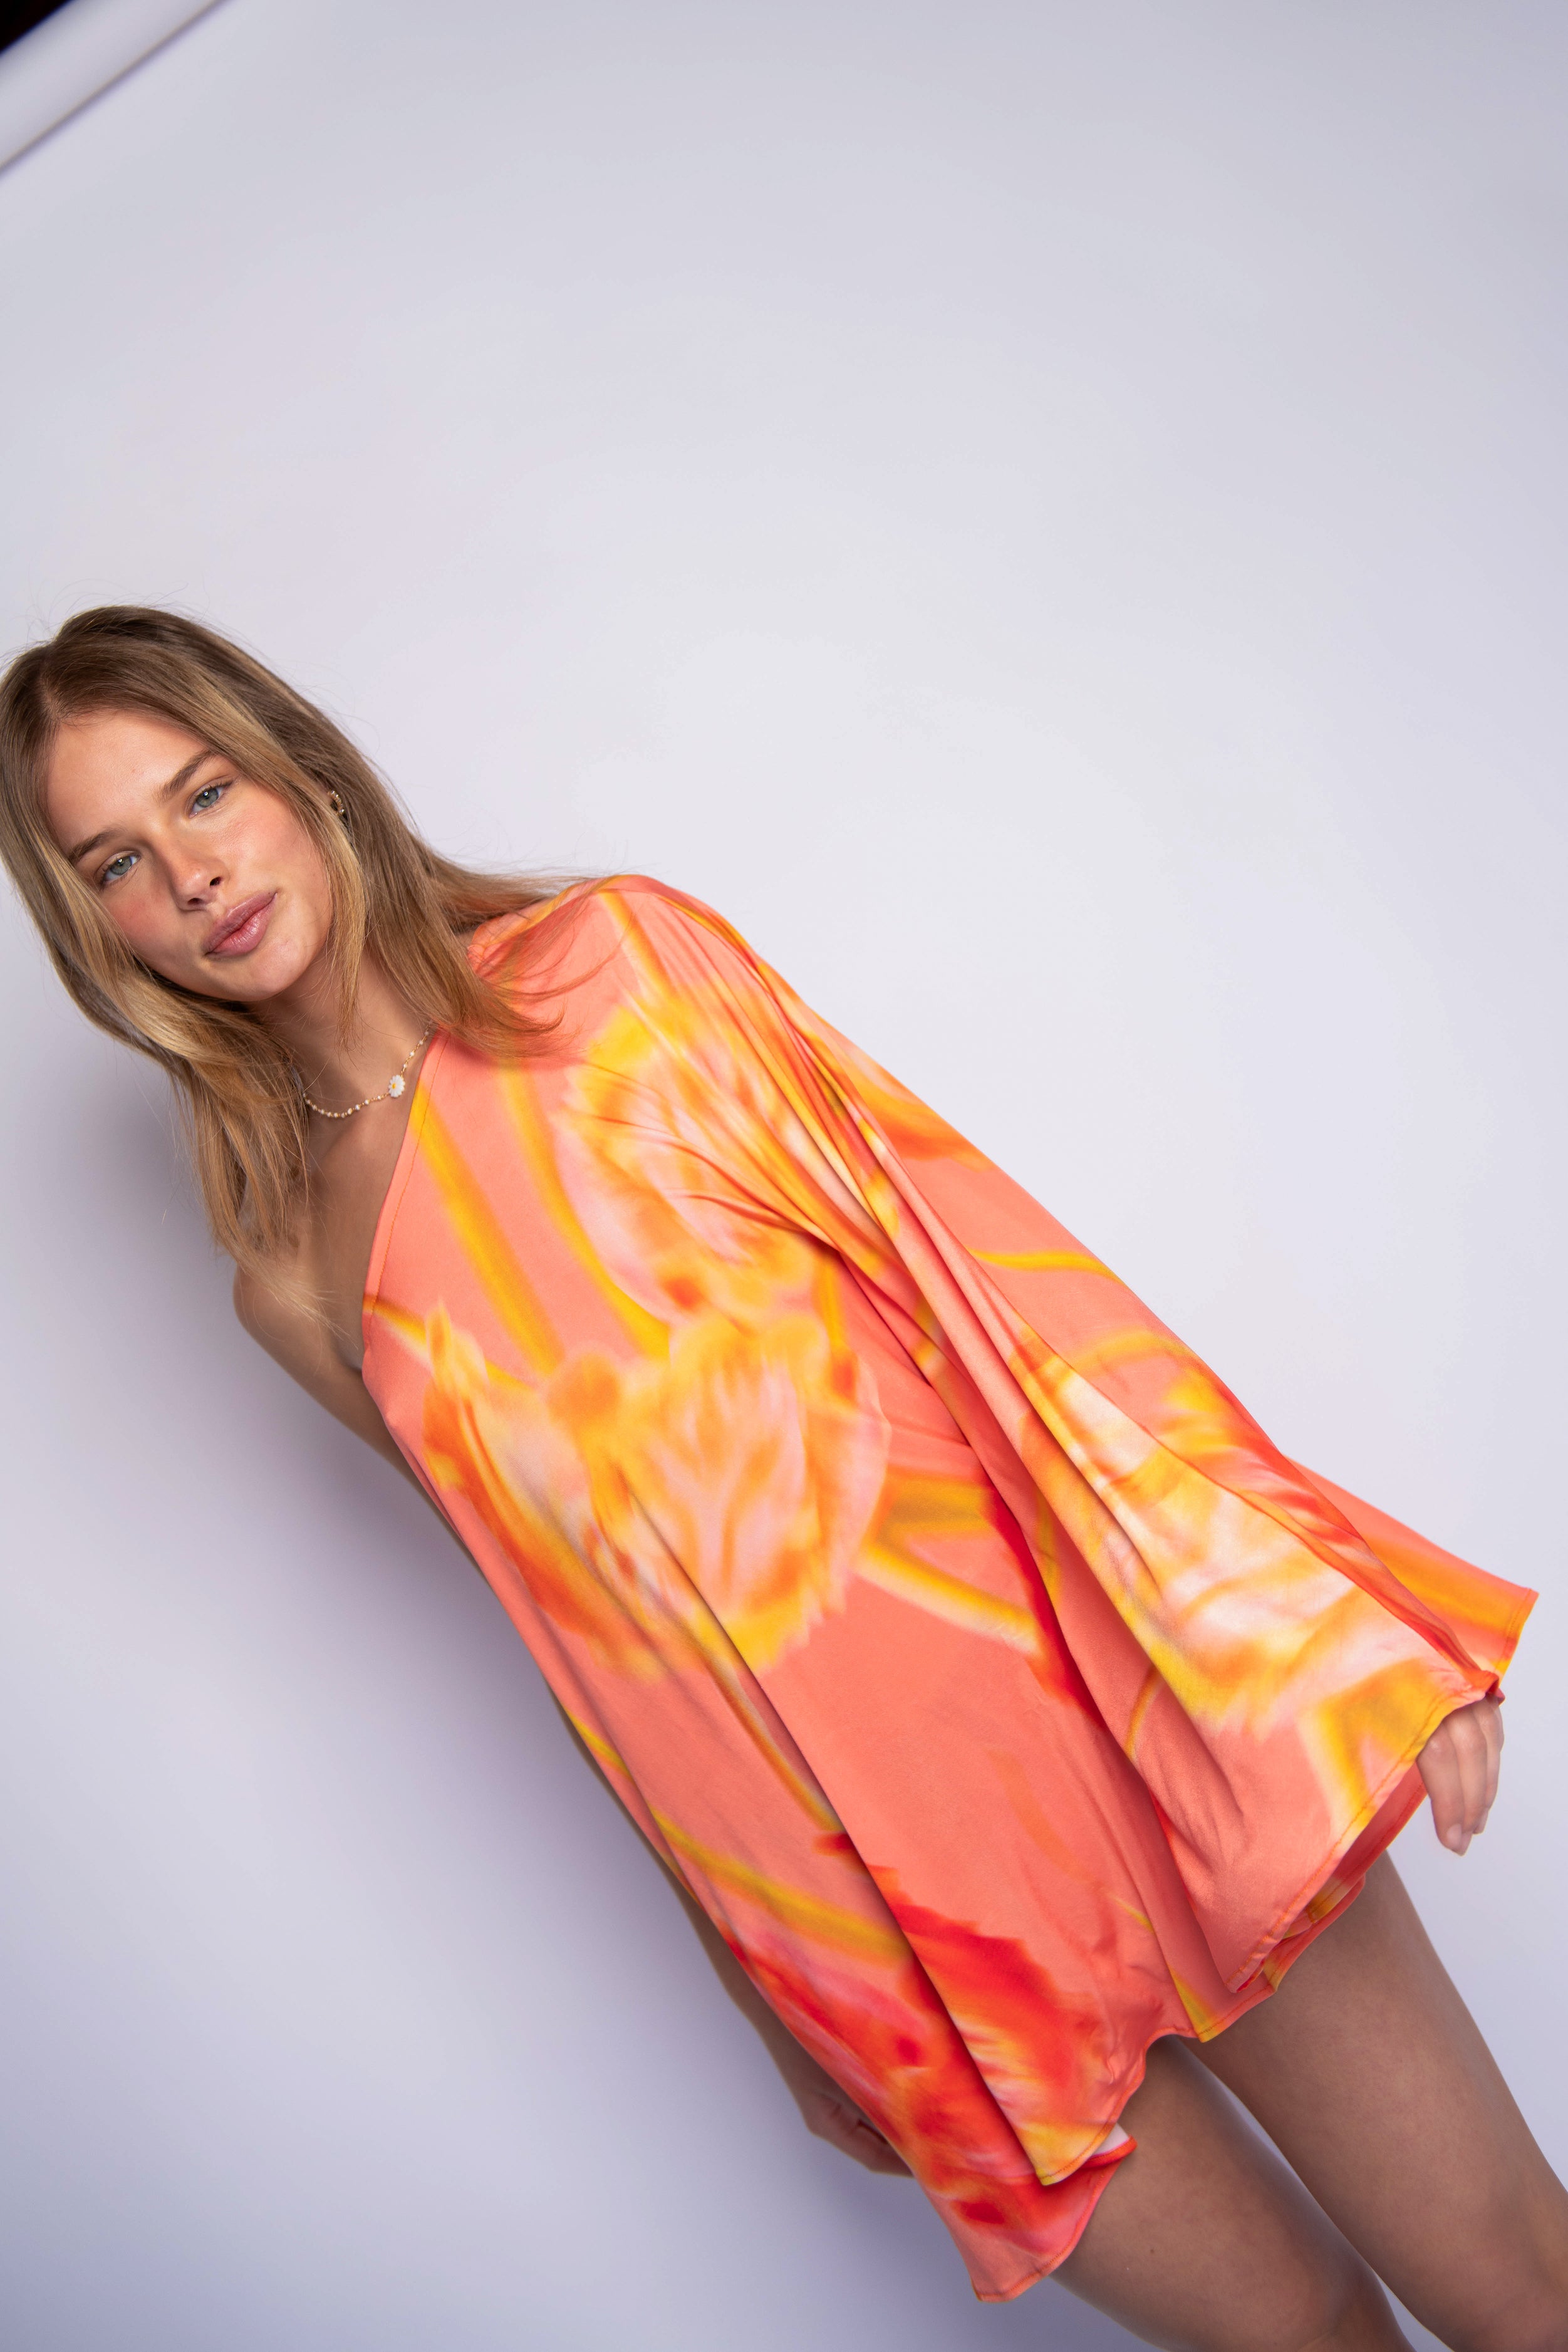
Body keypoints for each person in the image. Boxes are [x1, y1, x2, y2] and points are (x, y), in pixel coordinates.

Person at [1, 604, 1562, 2352]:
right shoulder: (293, 1283)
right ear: (95, 930)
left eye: (207, 792)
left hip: (1105, 1713)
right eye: (118, 861)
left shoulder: (617, 968)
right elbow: (581, 1651)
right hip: (876, 1917)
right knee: (1305, 2341)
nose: (194, 874)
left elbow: (985, 1283)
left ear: (301, 774)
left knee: (1516, 2289)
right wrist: (763, 1992)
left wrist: (1315, 1607)